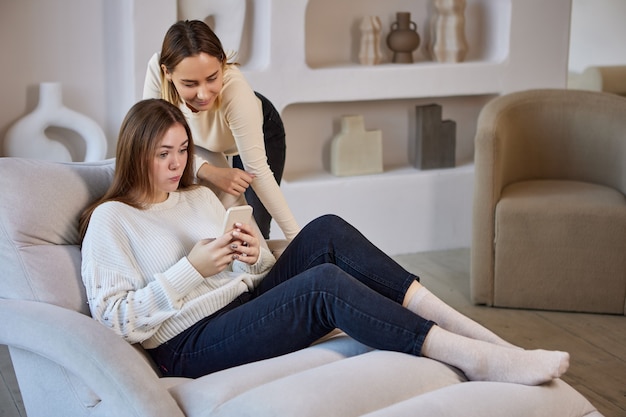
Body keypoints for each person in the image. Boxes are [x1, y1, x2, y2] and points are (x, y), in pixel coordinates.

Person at [80, 98, 570, 385]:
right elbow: (116, 321)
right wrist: (191, 269)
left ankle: (475, 333)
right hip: (188, 345)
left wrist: (248, 259)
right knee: (323, 285)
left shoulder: (198, 196)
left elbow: (243, 277)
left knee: (327, 230)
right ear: (135, 153)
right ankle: (476, 357)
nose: (175, 163)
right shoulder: (112, 220)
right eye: (162, 153)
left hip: (238, 304)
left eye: (182, 150)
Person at [143, 19, 298, 240]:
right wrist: (209, 171)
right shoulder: (157, 71)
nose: (204, 94)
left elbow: (260, 173)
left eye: (212, 78)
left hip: (258, 128)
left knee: (255, 230)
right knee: (219, 226)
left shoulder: (236, 94)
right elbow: (149, 143)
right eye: (190, 84)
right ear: (167, 72)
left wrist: (297, 238)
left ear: (222, 63)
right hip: (201, 141)